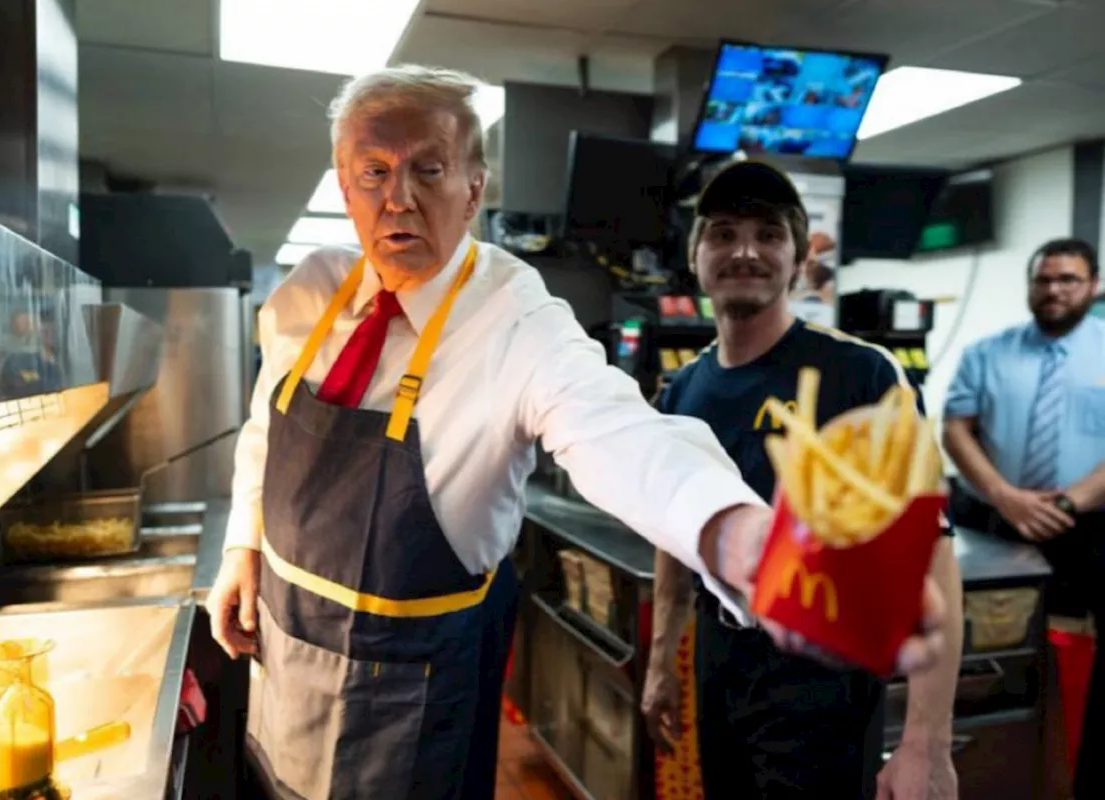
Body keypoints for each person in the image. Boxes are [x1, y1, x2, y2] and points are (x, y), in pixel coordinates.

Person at [203, 66, 948, 800]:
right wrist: (244, 540)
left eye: (428, 169)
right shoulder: (310, 292)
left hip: (409, 696)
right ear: (343, 184)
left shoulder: (514, 316)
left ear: (474, 189)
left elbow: (619, 431)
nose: (398, 196)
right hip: (281, 660)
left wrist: (731, 530)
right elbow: (265, 429)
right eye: (373, 171)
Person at [643, 160, 964, 799]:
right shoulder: (683, 388)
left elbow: (930, 561)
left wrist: (926, 744)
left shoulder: (862, 375)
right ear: (695, 255)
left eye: (768, 234)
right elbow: (676, 536)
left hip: (823, 673)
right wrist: (662, 659)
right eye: (723, 232)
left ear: (797, 259)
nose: (744, 250)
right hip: (720, 658)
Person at [941, 237, 1105, 799]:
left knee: (1068, 660)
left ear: (1094, 285)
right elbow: (956, 427)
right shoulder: (988, 352)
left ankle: (1059, 771)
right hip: (994, 527)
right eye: (1044, 279)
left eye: (1069, 280)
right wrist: (1006, 496)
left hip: (1082, 531)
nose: (1054, 290)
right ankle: (984, 763)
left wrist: (1067, 502)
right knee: (986, 656)